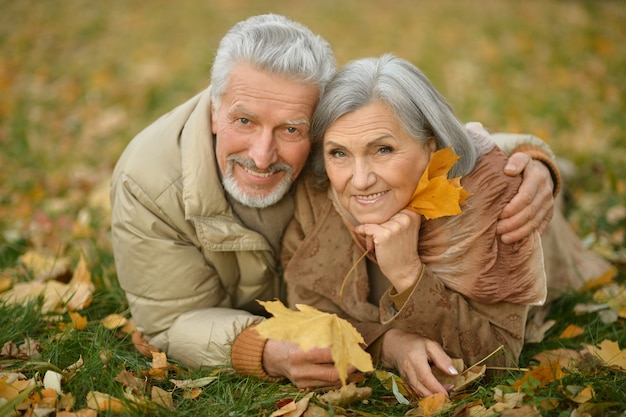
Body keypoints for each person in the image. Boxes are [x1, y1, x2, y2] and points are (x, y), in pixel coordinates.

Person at [110, 14, 564, 389]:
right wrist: (264, 350)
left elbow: (412, 129)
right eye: (244, 121)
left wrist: (533, 158)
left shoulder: (336, 148)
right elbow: (171, 320)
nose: (262, 155)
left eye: (291, 128)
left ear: (318, 121)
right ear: (214, 107)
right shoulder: (147, 184)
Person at [279, 54, 614, 397]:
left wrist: (409, 275)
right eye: (339, 153)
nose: (360, 179)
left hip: (545, 235)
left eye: (382, 149)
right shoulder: (319, 191)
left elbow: (498, 356)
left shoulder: (493, 200)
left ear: (431, 145)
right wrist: (388, 344)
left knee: (551, 198)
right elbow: (305, 308)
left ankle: (566, 179)